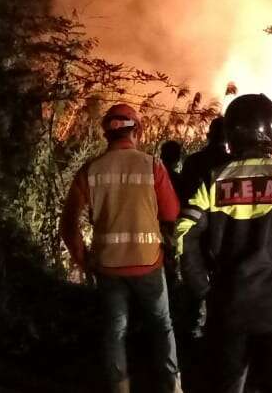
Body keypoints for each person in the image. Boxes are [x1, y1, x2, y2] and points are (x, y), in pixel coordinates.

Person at [175, 94, 272, 393]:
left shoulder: (213, 179)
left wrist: (200, 286)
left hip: (228, 305)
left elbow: (184, 230)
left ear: (232, 133)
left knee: (227, 385)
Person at [61, 104, 182, 393]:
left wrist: (83, 261)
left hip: (107, 267)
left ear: (106, 134)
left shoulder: (90, 170)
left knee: (115, 330)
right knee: (162, 326)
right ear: (137, 130)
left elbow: (68, 225)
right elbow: (171, 213)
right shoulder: (152, 165)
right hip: (148, 263)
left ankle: (120, 388)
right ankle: (172, 386)